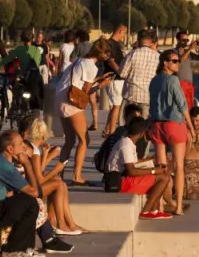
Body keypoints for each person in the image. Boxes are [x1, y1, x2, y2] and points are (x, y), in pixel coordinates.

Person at [56, 38, 112, 186]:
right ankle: (77, 175)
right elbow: (86, 91)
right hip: (71, 103)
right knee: (84, 140)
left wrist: (99, 79)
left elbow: (78, 81)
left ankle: (59, 174)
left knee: (69, 141)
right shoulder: (91, 66)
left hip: (61, 99)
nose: (107, 57)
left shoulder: (80, 60)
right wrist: (101, 84)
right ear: (103, 54)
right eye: (107, 54)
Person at [149, 50, 196, 215]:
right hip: (174, 124)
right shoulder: (173, 80)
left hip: (157, 125)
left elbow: (152, 104)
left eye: (178, 61)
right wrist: (190, 126)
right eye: (174, 61)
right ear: (165, 63)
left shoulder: (154, 81)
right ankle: (178, 207)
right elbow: (182, 104)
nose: (178, 63)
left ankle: (160, 205)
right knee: (179, 166)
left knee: (161, 168)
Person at [19, 117, 84, 236]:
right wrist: (57, 169)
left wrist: (46, 156)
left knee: (58, 181)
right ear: (43, 135)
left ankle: (66, 223)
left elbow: (37, 170)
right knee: (58, 183)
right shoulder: (33, 150)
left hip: (25, 185)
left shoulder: (29, 147)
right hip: (27, 189)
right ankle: (61, 224)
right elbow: (40, 179)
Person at [106, 117, 174, 220]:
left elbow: (134, 162)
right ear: (142, 133)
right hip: (119, 183)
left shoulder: (127, 141)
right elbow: (132, 171)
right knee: (163, 178)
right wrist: (154, 170)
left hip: (122, 178)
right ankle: (146, 211)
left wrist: (152, 162)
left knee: (163, 174)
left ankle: (154, 210)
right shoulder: (126, 146)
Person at [119, 29, 159, 120]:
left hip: (131, 94)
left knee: (128, 124)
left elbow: (122, 73)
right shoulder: (157, 56)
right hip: (147, 96)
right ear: (150, 41)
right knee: (144, 125)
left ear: (138, 39)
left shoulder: (132, 54)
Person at [102, 23, 128, 137]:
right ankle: (112, 133)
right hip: (114, 79)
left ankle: (107, 129)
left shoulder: (113, 44)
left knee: (115, 106)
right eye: (125, 33)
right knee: (116, 106)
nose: (125, 36)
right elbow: (111, 61)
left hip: (115, 79)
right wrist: (121, 73)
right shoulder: (112, 44)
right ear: (120, 31)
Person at [174, 31, 197, 109]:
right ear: (178, 40)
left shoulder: (188, 52)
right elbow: (180, 60)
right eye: (183, 40)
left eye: (187, 40)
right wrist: (190, 49)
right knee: (182, 107)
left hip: (190, 85)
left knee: (190, 107)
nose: (186, 42)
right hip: (180, 84)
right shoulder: (174, 52)